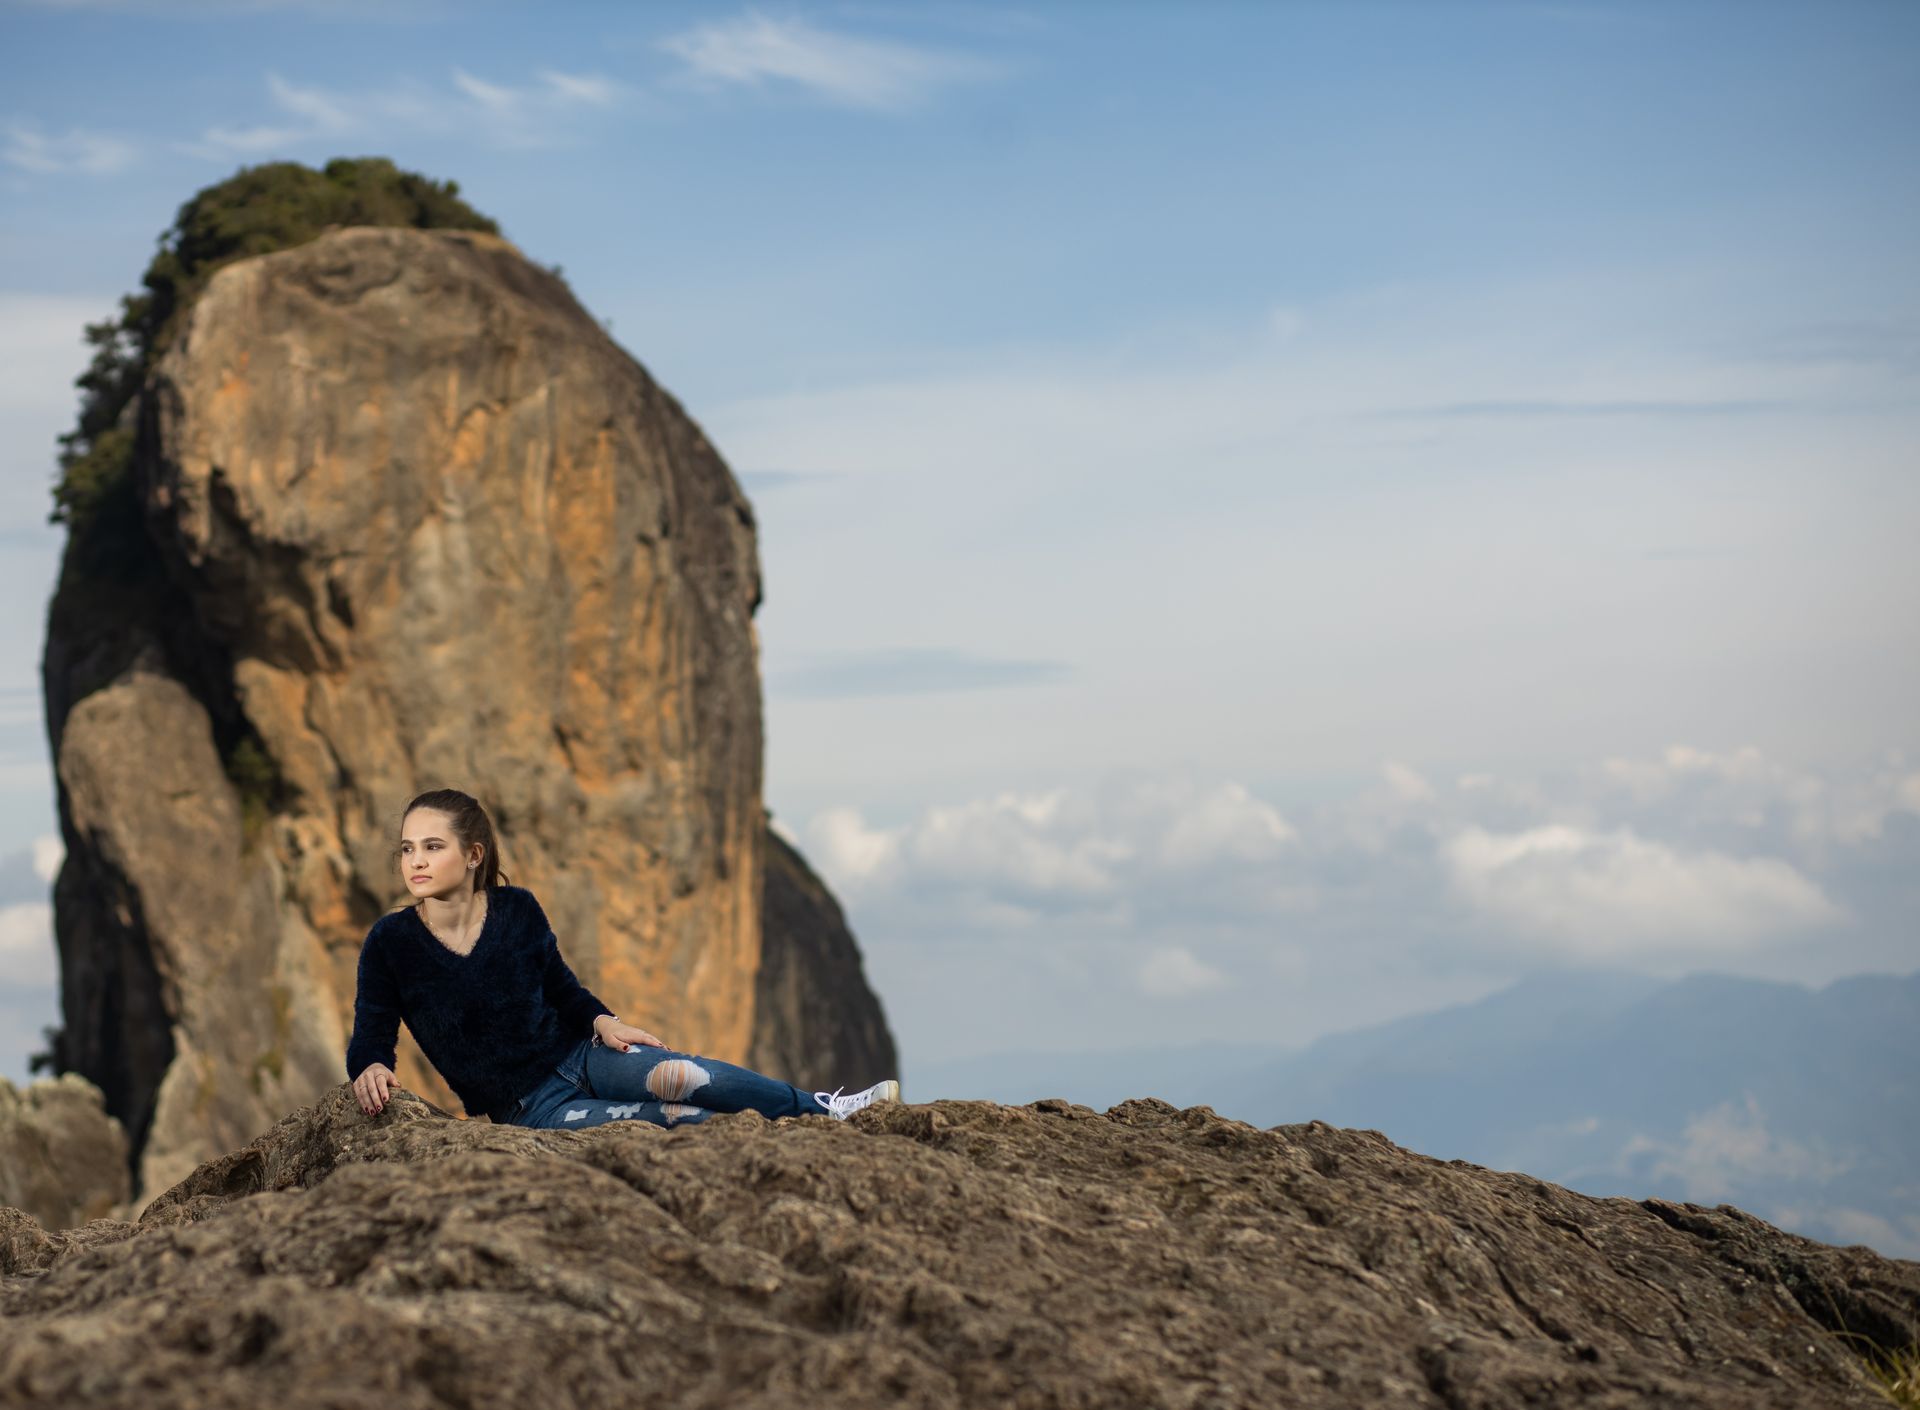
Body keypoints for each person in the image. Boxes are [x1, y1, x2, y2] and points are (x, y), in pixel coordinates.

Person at [346, 787, 900, 1128]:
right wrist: (370, 1066)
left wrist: (603, 1021)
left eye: (432, 846)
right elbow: (372, 1029)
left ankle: (825, 1110)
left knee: (688, 1076)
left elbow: (560, 987)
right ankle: (796, 1136)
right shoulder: (391, 942)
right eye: (407, 848)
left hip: (584, 1055)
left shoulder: (517, 909)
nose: (415, 861)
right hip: (529, 1109)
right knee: (673, 1120)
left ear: (473, 856)